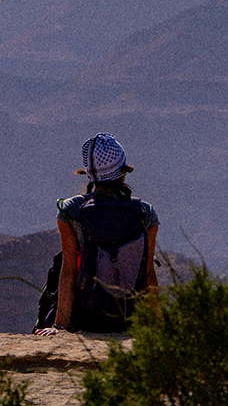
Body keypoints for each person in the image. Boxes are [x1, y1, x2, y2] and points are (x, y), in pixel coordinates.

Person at [40, 134, 161, 334]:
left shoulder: (71, 211)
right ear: (123, 173)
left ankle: (42, 326)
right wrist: (157, 328)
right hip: (128, 319)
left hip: (86, 317)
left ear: (90, 175)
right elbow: (148, 274)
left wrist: (59, 326)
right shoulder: (146, 213)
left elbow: (69, 271)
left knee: (60, 263)